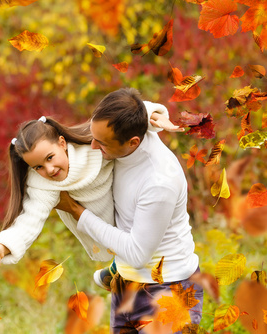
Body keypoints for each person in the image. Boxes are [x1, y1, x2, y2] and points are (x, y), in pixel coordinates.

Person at [55, 88, 203, 333]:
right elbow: (140, 106)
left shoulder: (159, 181)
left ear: (133, 142)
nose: (92, 146)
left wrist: (76, 211)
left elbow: (136, 254)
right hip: (126, 284)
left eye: (101, 143)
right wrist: (157, 111)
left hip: (168, 290)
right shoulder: (127, 124)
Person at [0, 101, 181, 280]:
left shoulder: (92, 146)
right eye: (38, 167)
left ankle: (116, 270)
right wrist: (3, 247)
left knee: (136, 237)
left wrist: (151, 116)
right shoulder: (44, 185)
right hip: (100, 228)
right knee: (119, 247)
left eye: (50, 157)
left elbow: (119, 119)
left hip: (125, 209)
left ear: (62, 143)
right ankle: (115, 268)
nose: (49, 170)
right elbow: (29, 220)